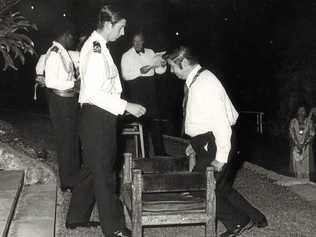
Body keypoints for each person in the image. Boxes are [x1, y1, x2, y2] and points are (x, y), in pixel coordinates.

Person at [166, 46, 268, 237]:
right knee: (219, 187)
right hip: (207, 140)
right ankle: (255, 216)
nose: (171, 71)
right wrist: (194, 143)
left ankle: (238, 221)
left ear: (185, 63)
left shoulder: (205, 84)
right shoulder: (197, 80)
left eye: (173, 67)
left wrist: (221, 156)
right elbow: (201, 118)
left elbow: (221, 122)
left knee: (198, 185)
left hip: (218, 141)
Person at [66, 5, 146, 237]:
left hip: (100, 115)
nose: (123, 33)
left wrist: (120, 107)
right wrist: (126, 105)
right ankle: (115, 229)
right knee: (105, 174)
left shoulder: (100, 47)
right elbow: (92, 92)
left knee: (92, 168)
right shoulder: (96, 49)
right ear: (109, 25)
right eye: (121, 28)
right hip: (97, 116)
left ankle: (76, 217)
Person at [44, 22, 81, 192]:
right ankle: (68, 181)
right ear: (65, 35)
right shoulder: (54, 53)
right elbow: (50, 82)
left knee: (72, 140)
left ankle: (72, 176)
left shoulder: (63, 52)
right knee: (65, 141)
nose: (72, 40)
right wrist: (74, 83)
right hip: (61, 102)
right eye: (71, 37)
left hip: (68, 101)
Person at [121, 31, 168, 156]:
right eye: (135, 41)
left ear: (143, 41)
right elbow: (125, 76)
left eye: (139, 41)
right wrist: (141, 71)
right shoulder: (126, 56)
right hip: (136, 92)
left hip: (151, 91)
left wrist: (162, 64)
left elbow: (159, 71)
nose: (137, 43)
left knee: (155, 123)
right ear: (132, 42)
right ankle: (143, 155)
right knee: (142, 125)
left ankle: (161, 153)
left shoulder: (151, 52)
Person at [289, 104, 315, 179]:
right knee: (298, 171)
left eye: (303, 110)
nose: (301, 112)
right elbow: (291, 133)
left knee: (306, 171)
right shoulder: (293, 121)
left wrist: (304, 144)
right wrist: (298, 145)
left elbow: (312, 134)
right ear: (297, 111)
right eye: (300, 110)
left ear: (305, 112)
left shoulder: (309, 121)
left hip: (306, 149)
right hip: (296, 149)